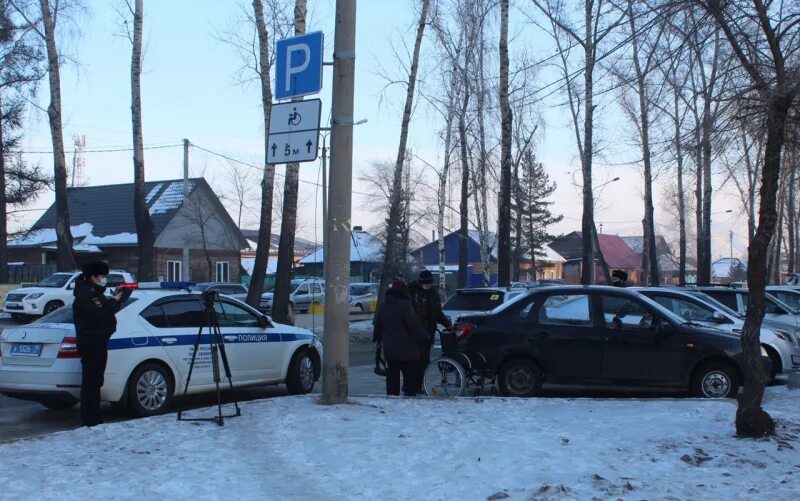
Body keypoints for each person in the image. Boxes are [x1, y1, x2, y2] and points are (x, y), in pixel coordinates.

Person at [73, 261, 125, 427]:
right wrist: (115, 302)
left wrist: (114, 300)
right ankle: (90, 419)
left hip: (96, 341)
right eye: (101, 276)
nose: (103, 279)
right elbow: (100, 314)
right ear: (93, 276)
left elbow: (102, 310)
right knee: (92, 382)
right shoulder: (88, 294)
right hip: (92, 342)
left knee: (95, 381)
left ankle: (92, 417)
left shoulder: (92, 292)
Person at [372, 279, 428, 396]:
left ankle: (392, 397)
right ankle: (409, 395)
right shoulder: (405, 304)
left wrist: (377, 339)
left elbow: (378, 325)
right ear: (403, 291)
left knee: (392, 374)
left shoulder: (383, 305)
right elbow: (412, 323)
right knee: (410, 373)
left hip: (389, 347)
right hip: (407, 346)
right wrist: (423, 335)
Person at [408, 270, 452, 390]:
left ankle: (418, 385)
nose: (428, 285)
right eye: (425, 283)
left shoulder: (433, 294)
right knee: (414, 361)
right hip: (414, 333)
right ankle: (411, 385)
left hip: (428, 333)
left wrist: (447, 324)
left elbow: (437, 313)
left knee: (423, 361)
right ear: (420, 282)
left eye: (429, 283)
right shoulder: (412, 292)